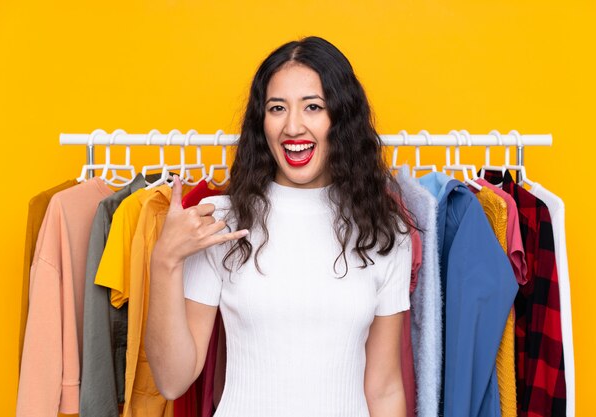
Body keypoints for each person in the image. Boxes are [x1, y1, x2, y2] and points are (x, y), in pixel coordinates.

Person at [146, 36, 414, 417]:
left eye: (313, 107)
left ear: (341, 118)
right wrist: (164, 261)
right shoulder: (222, 219)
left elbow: (385, 389)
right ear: (262, 121)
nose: (293, 126)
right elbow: (172, 380)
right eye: (277, 108)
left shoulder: (383, 231)